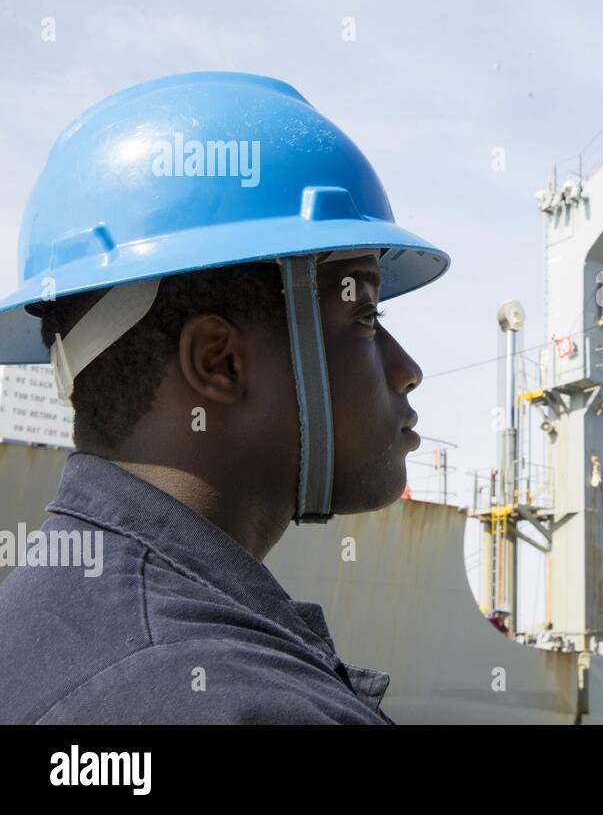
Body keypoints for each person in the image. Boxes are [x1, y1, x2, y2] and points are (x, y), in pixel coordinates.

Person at [0, 72, 450, 723]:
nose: (407, 370)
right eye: (364, 314)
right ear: (220, 363)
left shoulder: (49, 619)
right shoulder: (233, 701)